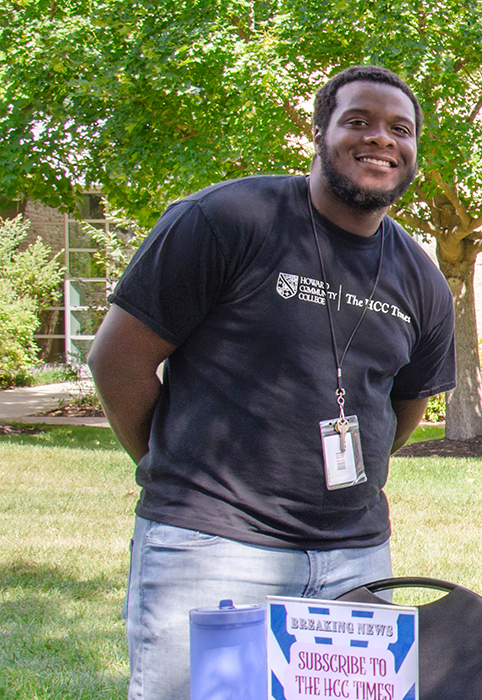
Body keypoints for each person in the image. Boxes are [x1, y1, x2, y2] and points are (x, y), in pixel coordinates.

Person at [87, 65, 456, 699]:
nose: (381, 140)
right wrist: (174, 465)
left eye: (401, 129)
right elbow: (117, 361)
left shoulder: (420, 278)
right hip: (213, 548)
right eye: (358, 121)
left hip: (355, 559)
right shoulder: (228, 219)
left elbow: (404, 409)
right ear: (319, 133)